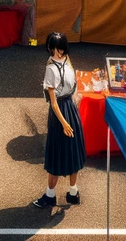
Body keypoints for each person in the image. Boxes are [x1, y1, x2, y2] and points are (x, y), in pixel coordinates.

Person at [31, 32, 84, 209]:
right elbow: (72, 90)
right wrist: (72, 117)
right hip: (70, 108)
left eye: (59, 48)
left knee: (55, 155)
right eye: (55, 48)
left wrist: (63, 123)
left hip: (60, 113)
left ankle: (50, 195)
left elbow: (53, 103)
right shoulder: (68, 61)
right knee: (73, 152)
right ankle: (73, 192)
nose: (57, 52)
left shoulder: (50, 68)